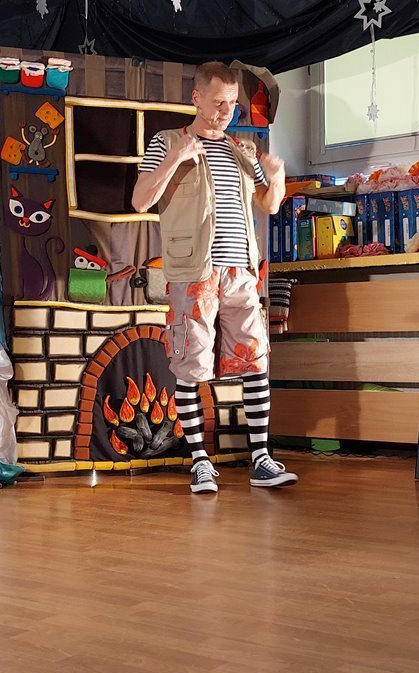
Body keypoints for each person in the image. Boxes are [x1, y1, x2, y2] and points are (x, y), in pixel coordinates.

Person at [132, 61, 298, 494]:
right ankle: (200, 463)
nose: (227, 111)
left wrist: (277, 178)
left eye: (232, 103)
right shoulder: (167, 141)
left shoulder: (241, 149)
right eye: (219, 102)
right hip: (194, 273)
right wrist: (176, 159)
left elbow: (269, 204)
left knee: (256, 361)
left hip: (241, 271)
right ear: (197, 98)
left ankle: (261, 460)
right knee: (191, 366)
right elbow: (140, 200)